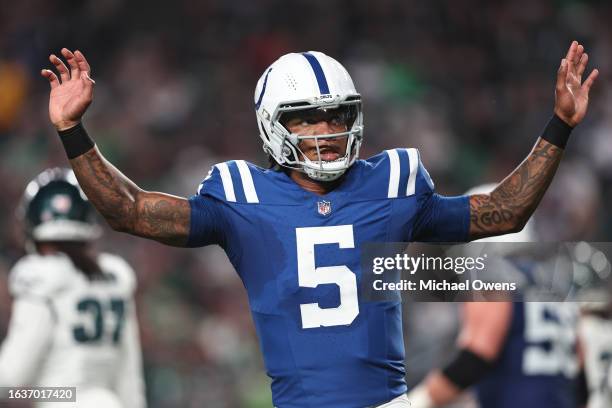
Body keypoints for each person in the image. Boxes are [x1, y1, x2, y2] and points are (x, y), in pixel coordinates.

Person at [40, 42, 597, 407]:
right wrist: (74, 133)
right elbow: (130, 210)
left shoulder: (393, 182)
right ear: (272, 126)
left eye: (336, 115)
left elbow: (505, 211)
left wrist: (559, 125)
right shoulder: (240, 195)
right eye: (306, 118)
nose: (326, 131)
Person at [406, 184, 580, 408]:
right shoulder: (556, 285)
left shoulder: (493, 275)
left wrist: (416, 401)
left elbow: (476, 356)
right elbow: (581, 372)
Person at [0, 168, 146, 408]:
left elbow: (12, 376)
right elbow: (129, 381)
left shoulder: (39, 274)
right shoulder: (116, 276)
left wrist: (35, 395)